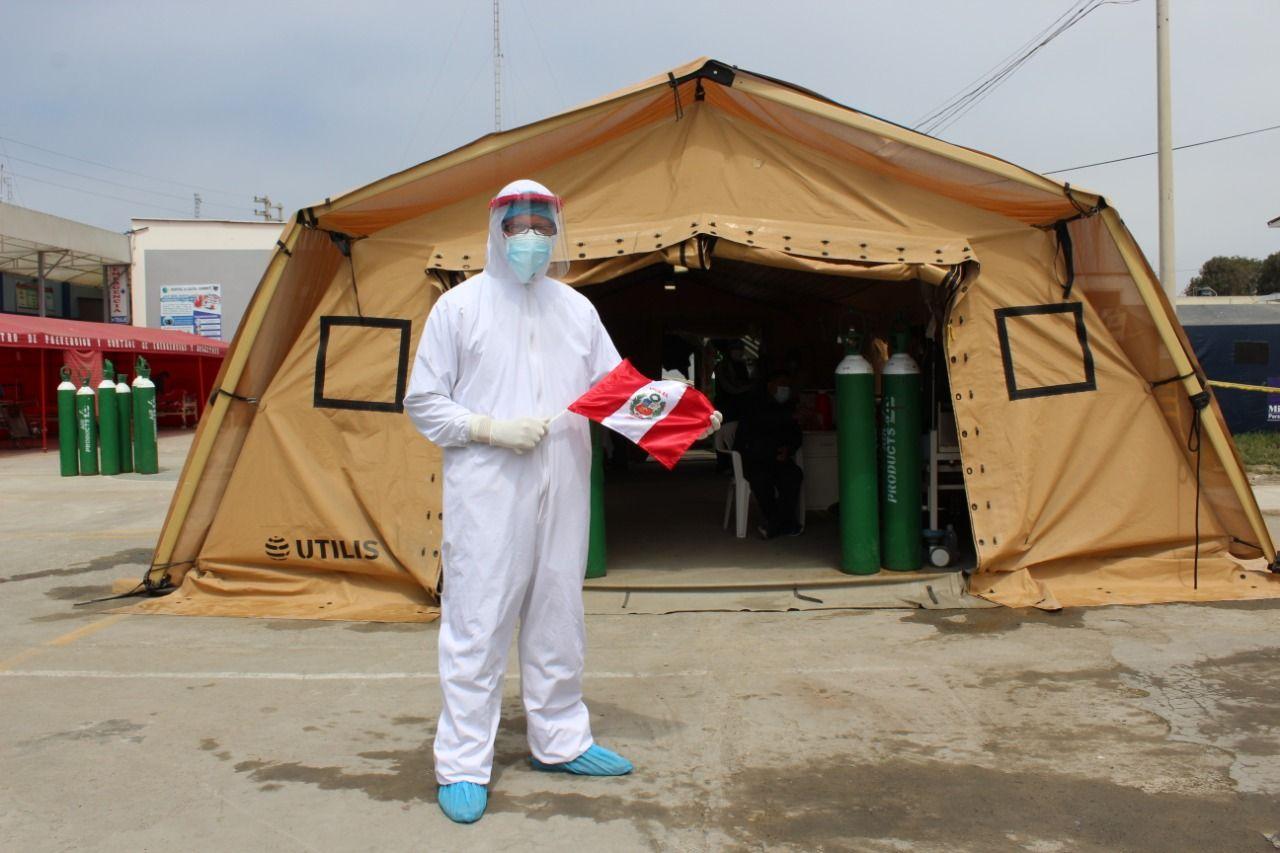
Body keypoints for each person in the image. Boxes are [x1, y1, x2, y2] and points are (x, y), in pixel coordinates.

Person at [404, 179, 719, 825]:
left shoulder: (575, 310)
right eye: (517, 225)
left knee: (557, 611)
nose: (530, 238)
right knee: (478, 619)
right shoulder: (459, 308)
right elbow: (424, 402)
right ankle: (463, 761)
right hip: (490, 487)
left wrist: (684, 419)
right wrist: (489, 427)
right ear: (494, 228)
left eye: (542, 227)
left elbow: (612, 392)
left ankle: (560, 739)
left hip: (564, 484)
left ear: (558, 232)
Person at [734, 375, 804, 539]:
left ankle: (774, 524)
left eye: (787, 386)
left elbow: (796, 436)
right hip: (756, 460)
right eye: (781, 385)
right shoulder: (755, 406)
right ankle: (785, 524)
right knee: (761, 481)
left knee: (793, 476)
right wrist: (770, 452)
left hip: (780, 460)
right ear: (770, 386)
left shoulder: (787, 407)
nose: (784, 389)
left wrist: (789, 449)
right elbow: (750, 437)